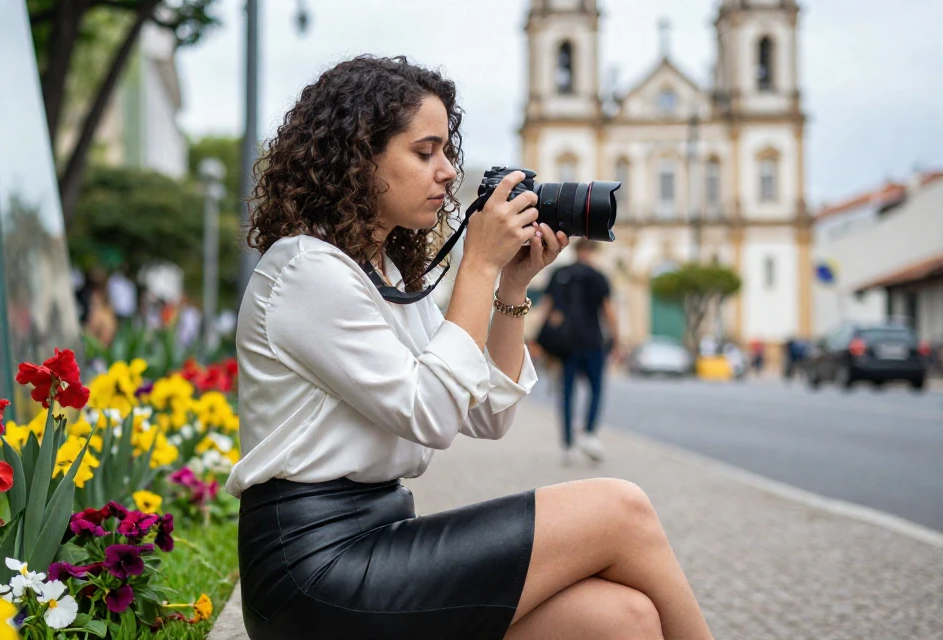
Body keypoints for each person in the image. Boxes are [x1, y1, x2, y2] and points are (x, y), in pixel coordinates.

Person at [225, 55, 713, 640]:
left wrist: (509, 285)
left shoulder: (381, 273)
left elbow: (489, 412)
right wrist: (477, 264)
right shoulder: (307, 269)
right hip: (316, 571)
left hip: (379, 539)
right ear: (359, 159)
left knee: (621, 619)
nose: (447, 172)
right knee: (621, 509)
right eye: (424, 152)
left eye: (446, 152)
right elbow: (430, 414)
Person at [537, 239, 618, 466]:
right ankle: (589, 433)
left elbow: (546, 307)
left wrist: (541, 338)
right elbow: (609, 311)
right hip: (592, 342)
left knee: (567, 393)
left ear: (575, 250)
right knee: (596, 389)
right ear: (592, 252)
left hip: (565, 344)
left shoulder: (559, 274)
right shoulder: (598, 276)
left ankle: (568, 444)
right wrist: (617, 340)